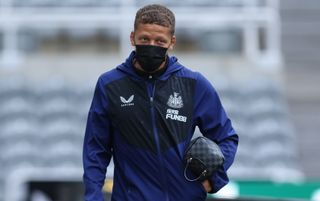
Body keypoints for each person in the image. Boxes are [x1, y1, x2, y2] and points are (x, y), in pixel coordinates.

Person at [83, 4, 238, 201]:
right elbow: (95, 150)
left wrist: (214, 178)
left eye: (160, 41)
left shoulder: (194, 84)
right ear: (133, 38)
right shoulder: (110, 85)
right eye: (144, 39)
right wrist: (93, 198)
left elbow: (227, 137)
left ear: (171, 42)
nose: (151, 46)